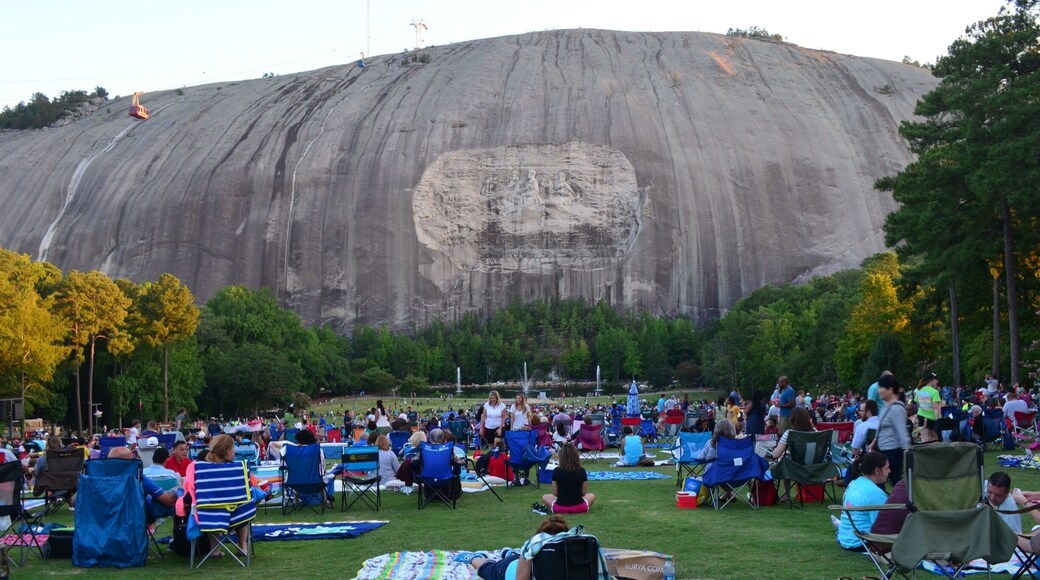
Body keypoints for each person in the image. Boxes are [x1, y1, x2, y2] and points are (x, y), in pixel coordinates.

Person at [461, 515, 599, 580]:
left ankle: (510, 553)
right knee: (487, 567)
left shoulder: (533, 547)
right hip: (507, 570)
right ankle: (475, 558)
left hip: (519, 562)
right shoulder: (576, 552)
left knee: (516, 558)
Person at [836, 451, 891, 551]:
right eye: (886, 468)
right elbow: (881, 527)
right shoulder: (875, 494)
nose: (889, 471)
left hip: (846, 539)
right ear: (877, 470)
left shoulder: (854, 483)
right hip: (861, 542)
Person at [868, 375, 910, 487]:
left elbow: (902, 432)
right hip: (884, 450)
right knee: (880, 480)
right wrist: (874, 442)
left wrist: (907, 452)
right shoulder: (886, 407)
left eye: (882, 388)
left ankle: (904, 501)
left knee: (895, 481)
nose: (879, 391)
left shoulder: (896, 409)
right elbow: (881, 426)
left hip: (893, 452)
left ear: (890, 390)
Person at [535, 443, 594, 515]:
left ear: (561, 456)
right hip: (580, 507)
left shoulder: (556, 471)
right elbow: (583, 493)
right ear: (576, 455)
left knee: (545, 497)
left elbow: (555, 493)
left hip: (560, 507)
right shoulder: (581, 471)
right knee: (591, 496)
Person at [915, 373, 941, 443]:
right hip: (932, 417)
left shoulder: (919, 391)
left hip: (921, 416)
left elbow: (918, 404)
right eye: (936, 380)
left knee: (924, 438)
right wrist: (938, 420)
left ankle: (924, 453)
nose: (937, 381)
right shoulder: (934, 392)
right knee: (935, 438)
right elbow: (936, 408)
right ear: (931, 381)